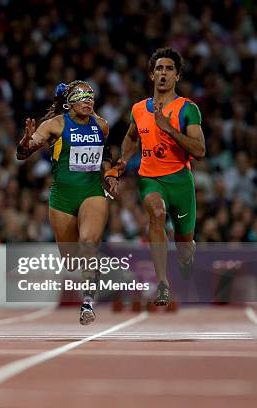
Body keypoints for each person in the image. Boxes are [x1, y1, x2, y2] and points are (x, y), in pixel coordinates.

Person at [105, 47, 205, 306]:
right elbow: (130, 136)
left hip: (180, 180)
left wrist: (169, 129)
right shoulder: (139, 109)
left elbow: (200, 150)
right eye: (159, 68)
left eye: (169, 69)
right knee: (157, 215)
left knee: (183, 243)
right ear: (152, 75)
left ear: (177, 76)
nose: (163, 73)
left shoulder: (187, 109)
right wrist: (122, 162)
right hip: (150, 178)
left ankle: (187, 252)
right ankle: (163, 283)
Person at [17, 80, 111, 325]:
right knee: (70, 260)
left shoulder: (101, 125)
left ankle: (88, 302)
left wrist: (111, 175)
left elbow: (106, 154)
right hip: (62, 197)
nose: (88, 101)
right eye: (82, 97)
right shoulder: (55, 125)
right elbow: (23, 153)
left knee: (88, 243)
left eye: (91, 97)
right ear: (69, 102)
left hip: (92, 192)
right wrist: (26, 140)